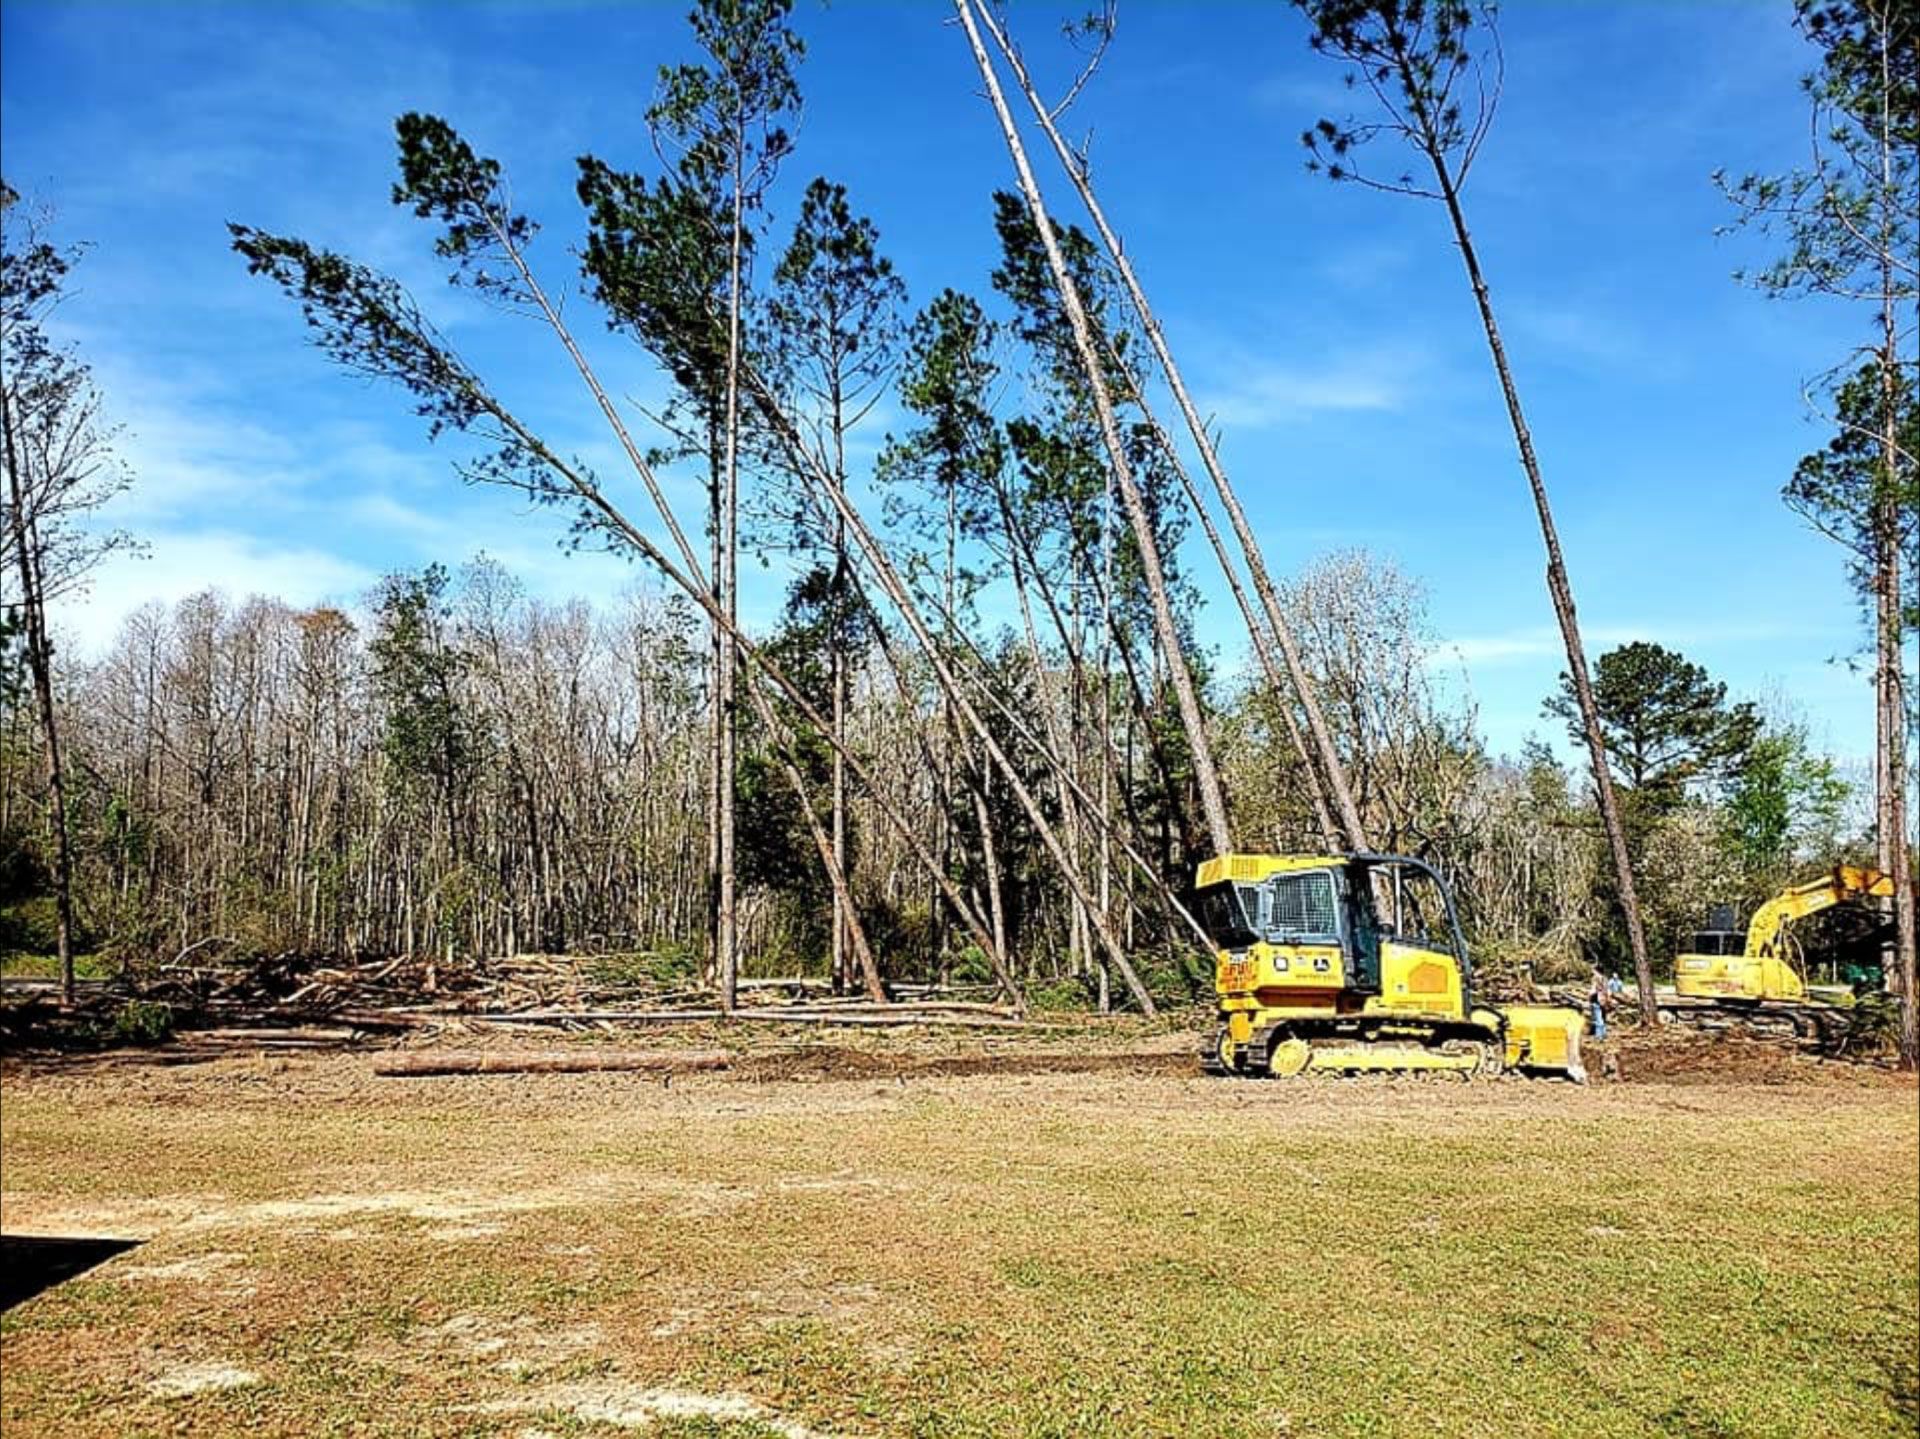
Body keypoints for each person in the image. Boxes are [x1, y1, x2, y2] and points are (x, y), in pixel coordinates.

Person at [1588, 967, 1609, 1041]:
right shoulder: (1605, 979)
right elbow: (1607, 990)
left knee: (1598, 1018)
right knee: (1603, 1017)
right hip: (1603, 1000)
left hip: (1596, 999)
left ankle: (1598, 1036)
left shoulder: (1596, 979)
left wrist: (1589, 996)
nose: (1592, 972)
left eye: (1593, 971)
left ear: (1597, 971)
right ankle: (1604, 1034)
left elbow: (1593, 990)